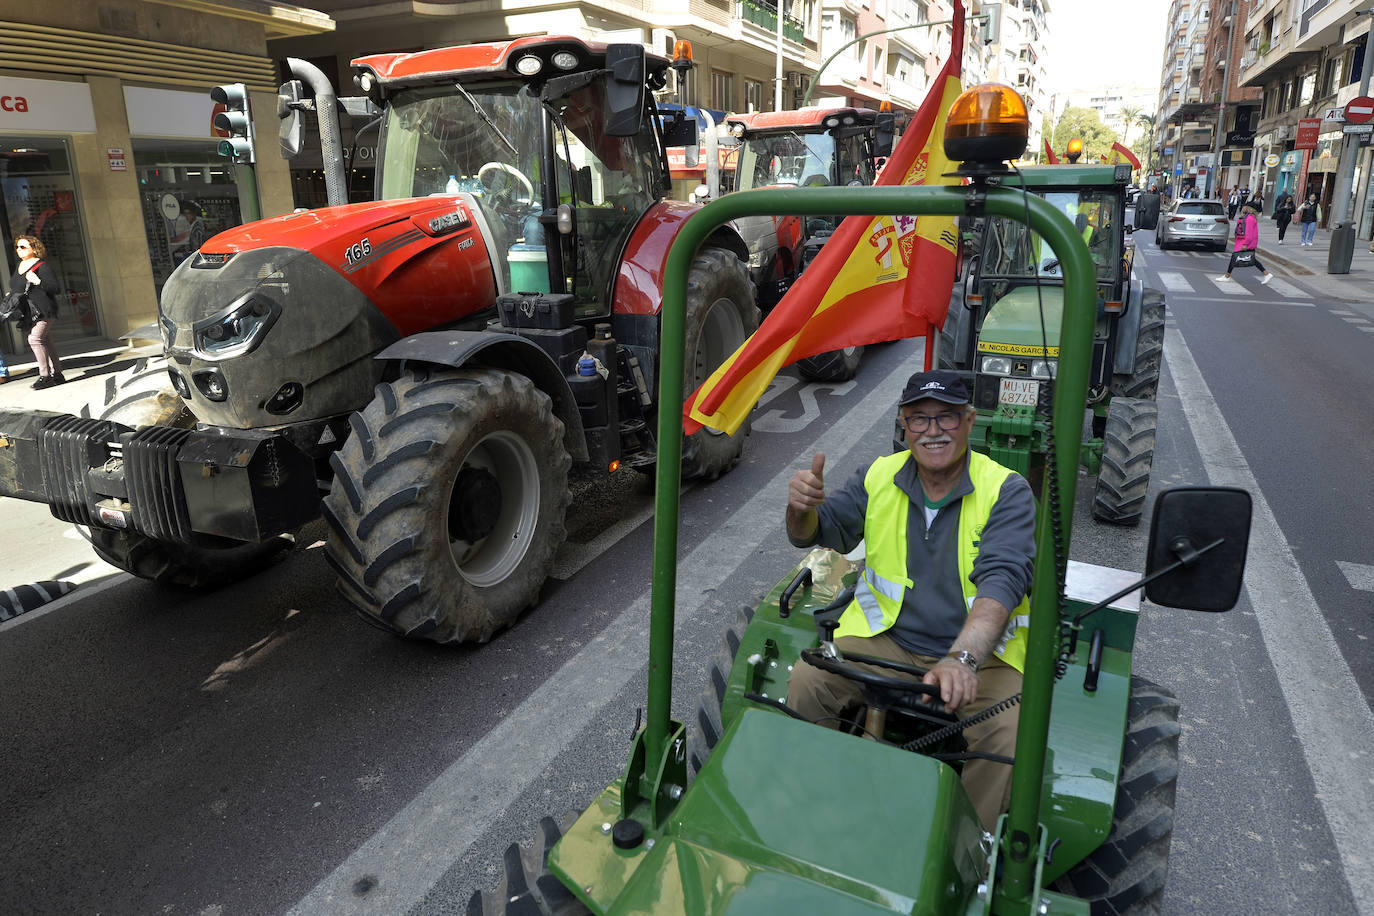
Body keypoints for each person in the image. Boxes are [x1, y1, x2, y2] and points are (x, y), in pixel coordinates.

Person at [784, 370, 1035, 832]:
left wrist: (962, 658)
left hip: (983, 657)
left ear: (970, 421)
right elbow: (816, 532)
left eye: (946, 417)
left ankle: (968, 855)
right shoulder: (879, 475)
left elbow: (1003, 580)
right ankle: (817, 812)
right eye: (919, 419)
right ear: (903, 424)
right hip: (890, 641)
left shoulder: (1007, 490)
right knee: (807, 681)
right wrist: (801, 509)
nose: (932, 430)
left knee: (1008, 732)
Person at [11, 235, 63, 388]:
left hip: (43, 309)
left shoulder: (42, 266)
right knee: (46, 340)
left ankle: (45, 376)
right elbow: (18, 285)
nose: (19, 250)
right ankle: (58, 374)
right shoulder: (20, 265)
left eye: (23, 247)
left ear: (34, 248)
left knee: (34, 339)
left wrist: (38, 281)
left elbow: (55, 288)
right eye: (17, 247)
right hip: (29, 311)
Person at [1217, 203, 1274, 285]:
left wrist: (1246, 244)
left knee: (1240, 258)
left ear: (1248, 208)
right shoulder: (1248, 218)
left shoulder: (1250, 219)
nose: (1243, 208)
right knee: (1248, 259)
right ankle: (1266, 274)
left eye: (1244, 207)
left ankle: (1227, 276)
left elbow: (1249, 233)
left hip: (1245, 242)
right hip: (1243, 241)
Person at [170, 201, 207, 266]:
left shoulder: (197, 228)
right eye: (185, 214)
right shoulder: (194, 226)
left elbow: (198, 246)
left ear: (194, 214)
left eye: (189, 213)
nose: (187, 216)